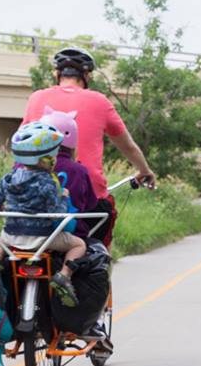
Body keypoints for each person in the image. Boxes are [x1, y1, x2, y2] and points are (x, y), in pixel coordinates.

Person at [21, 47, 156, 248]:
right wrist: (145, 171)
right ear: (87, 75)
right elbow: (128, 147)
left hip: (32, 194)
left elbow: (21, 141)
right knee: (99, 254)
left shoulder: (36, 98)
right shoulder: (99, 101)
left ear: (57, 73)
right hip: (85, 197)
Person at [0, 122, 84, 307]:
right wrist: (63, 197)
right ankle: (64, 276)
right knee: (79, 245)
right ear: (43, 160)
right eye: (51, 157)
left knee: (1, 236)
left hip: (11, 237)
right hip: (41, 240)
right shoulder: (46, 182)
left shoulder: (8, 178)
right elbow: (57, 214)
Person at [38, 106, 99, 238]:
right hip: (71, 231)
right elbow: (90, 204)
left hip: (30, 230)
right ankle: (70, 260)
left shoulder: (23, 167)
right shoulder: (79, 171)